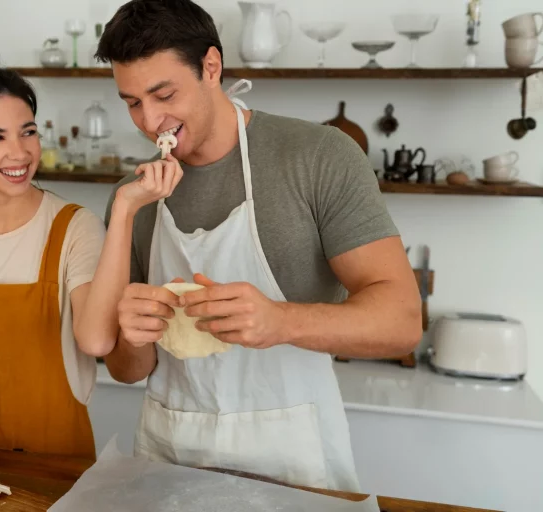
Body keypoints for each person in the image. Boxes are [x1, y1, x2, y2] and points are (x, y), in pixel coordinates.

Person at [95, 0, 422, 492]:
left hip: (293, 465)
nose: (150, 121)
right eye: (132, 102)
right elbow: (127, 369)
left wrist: (281, 320)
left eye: (164, 94)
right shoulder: (136, 194)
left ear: (211, 66)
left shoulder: (318, 156)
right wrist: (133, 334)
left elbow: (402, 322)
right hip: (171, 463)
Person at [0, 66, 182, 462]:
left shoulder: (74, 228)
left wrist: (125, 209)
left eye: (28, 132)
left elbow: (97, 341)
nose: (20, 152)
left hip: (56, 464)